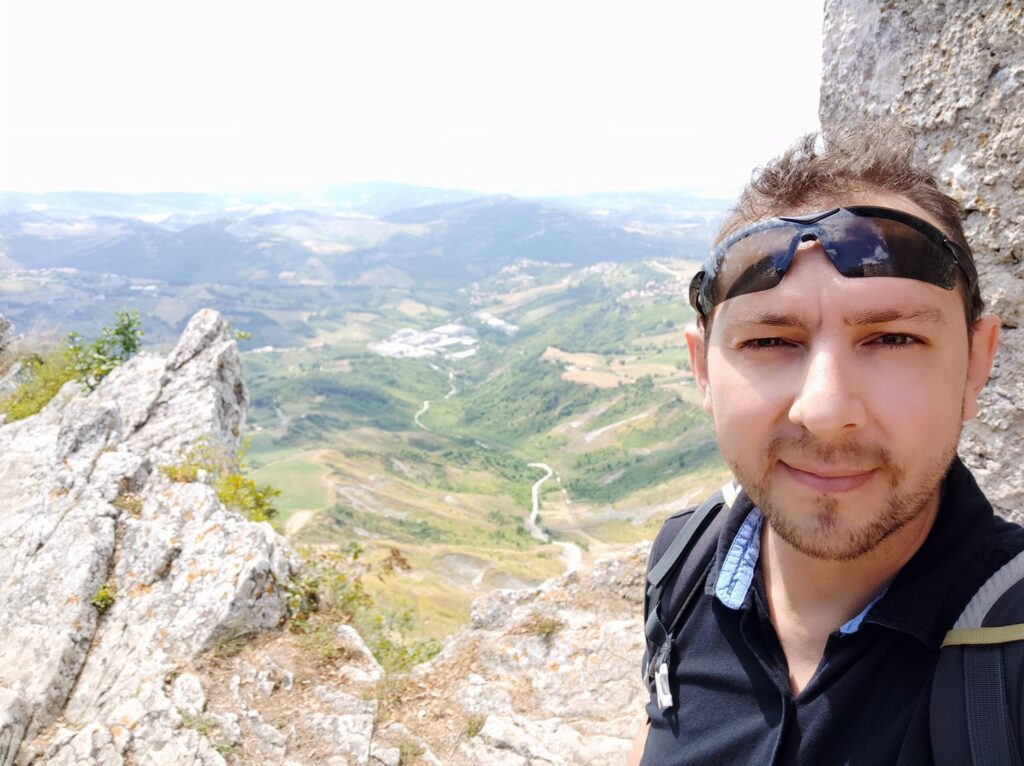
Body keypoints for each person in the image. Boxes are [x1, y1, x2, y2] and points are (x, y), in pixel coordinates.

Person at [628, 122, 1024, 765]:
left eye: (893, 339)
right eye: (769, 341)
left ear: (976, 365)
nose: (824, 411)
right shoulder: (682, 565)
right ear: (703, 370)